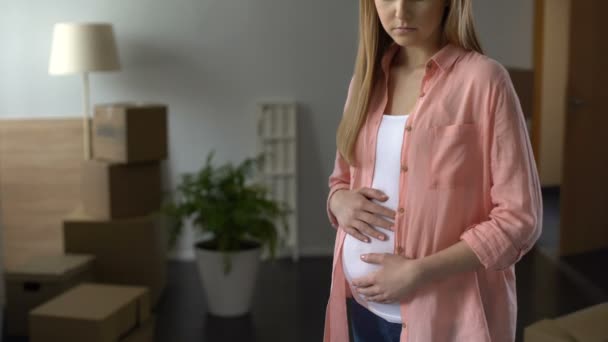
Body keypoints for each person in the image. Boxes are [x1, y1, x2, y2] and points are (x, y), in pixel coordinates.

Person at [324, 0, 543, 341]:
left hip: (446, 321)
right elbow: (340, 179)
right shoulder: (364, 83)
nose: (400, 10)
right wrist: (338, 201)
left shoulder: (484, 80)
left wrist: (420, 272)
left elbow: (520, 218)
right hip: (360, 310)